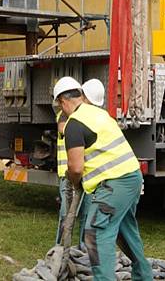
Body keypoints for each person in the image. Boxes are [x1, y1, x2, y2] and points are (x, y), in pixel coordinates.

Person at [57, 80, 152, 281]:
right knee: (124, 232)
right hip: (131, 178)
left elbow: (75, 167)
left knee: (96, 233)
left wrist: (73, 182)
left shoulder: (74, 125)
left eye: (59, 105)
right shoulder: (98, 113)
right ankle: (144, 276)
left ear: (63, 101)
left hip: (115, 184)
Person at [54, 78, 104, 244]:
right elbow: (63, 128)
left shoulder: (91, 116)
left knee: (87, 214)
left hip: (89, 174)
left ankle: (84, 251)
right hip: (68, 174)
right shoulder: (66, 115)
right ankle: (60, 250)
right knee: (66, 215)